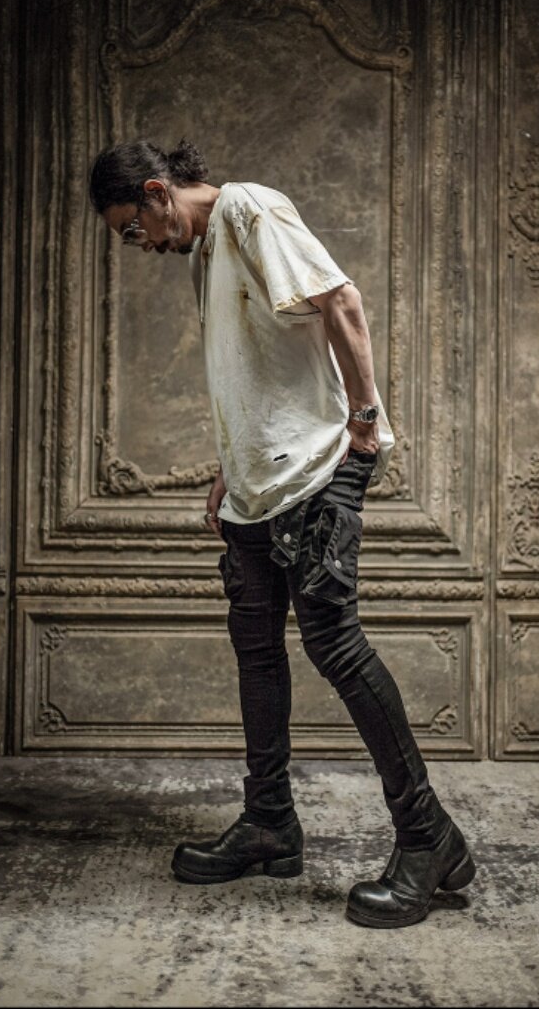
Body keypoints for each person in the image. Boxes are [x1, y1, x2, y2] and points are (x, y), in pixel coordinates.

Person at [88, 137, 474, 928]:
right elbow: (255, 366)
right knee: (257, 649)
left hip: (316, 470)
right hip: (257, 486)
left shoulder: (250, 209)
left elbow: (342, 302)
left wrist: (364, 421)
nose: (141, 244)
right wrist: (230, 464)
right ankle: (269, 823)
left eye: (133, 227)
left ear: (158, 193)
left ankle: (427, 836)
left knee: (336, 646)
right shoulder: (208, 251)